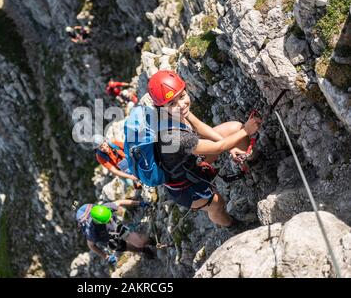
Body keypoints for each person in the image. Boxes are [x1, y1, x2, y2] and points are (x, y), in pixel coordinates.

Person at [147, 70, 262, 227]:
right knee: (217, 204)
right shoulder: (172, 135)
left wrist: (231, 145)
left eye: (182, 96)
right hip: (183, 185)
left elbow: (199, 126)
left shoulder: (177, 112)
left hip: (191, 161)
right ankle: (233, 226)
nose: (181, 104)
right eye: (172, 103)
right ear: (162, 107)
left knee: (234, 128)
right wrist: (246, 131)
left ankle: (254, 163)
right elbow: (216, 148)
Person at [76, 201, 154, 265]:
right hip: (107, 238)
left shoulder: (104, 208)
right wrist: (106, 257)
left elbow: (120, 202)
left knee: (140, 242)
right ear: (99, 222)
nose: (110, 218)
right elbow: (91, 246)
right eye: (107, 219)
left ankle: (151, 241)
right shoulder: (91, 231)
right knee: (123, 246)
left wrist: (139, 203)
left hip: (116, 227)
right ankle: (144, 250)